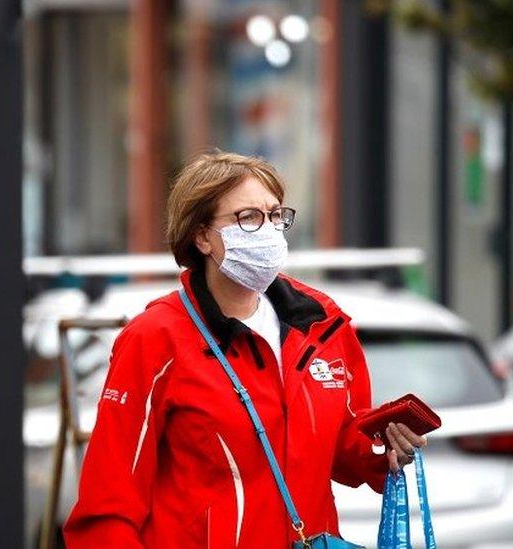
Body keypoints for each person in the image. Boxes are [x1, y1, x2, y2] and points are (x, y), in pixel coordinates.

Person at [62, 151, 426, 548]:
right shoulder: (154, 338)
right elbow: (107, 506)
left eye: (275, 215)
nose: (269, 231)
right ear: (201, 236)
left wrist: (384, 447)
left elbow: (341, 445)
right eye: (248, 218)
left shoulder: (323, 324)